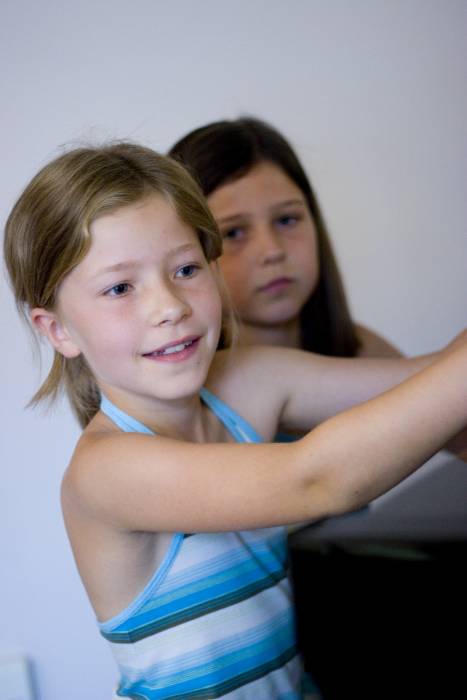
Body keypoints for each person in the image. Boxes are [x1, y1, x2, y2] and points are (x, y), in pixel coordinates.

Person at [4, 142, 467, 700]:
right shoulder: (106, 471)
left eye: (185, 268)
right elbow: (319, 478)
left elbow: (425, 385)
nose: (169, 305)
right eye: (121, 287)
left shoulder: (245, 380)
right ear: (57, 331)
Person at [169, 116, 400, 358]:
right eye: (233, 232)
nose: (272, 251)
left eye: (287, 220)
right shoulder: (188, 389)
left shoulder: (372, 353)